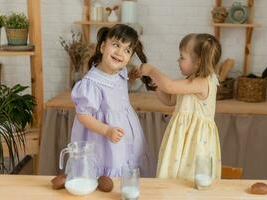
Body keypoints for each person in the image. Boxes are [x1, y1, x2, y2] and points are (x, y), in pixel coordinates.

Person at [70, 24, 153, 177]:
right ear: (102, 47)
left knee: (126, 164)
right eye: (116, 45)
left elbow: (117, 90)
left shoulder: (120, 72)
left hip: (123, 133)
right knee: (110, 167)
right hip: (103, 138)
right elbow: (83, 116)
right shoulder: (91, 83)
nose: (120, 53)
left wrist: (131, 79)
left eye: (127, 50)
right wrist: (107, 130)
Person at [139, 33, 222, 181]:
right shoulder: (190, 81)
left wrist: (151, 70)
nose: (178, 60)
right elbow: (170, 100)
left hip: (196, 141)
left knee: (189, 177)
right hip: (183, 137)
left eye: (182, 57)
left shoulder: (203, 82)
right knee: (175, 175)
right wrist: (156, 86)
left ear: (198, 62)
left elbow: (169, 86)